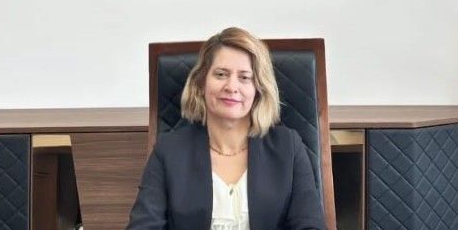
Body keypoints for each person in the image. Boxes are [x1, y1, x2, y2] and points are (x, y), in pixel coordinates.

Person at [126, 27, 325, 230]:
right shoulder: (168, 151)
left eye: (244, 77)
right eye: (221, 74)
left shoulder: (289, 147)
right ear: (201, 83)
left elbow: (310, 226)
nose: (231, 87)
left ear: (258, 89)